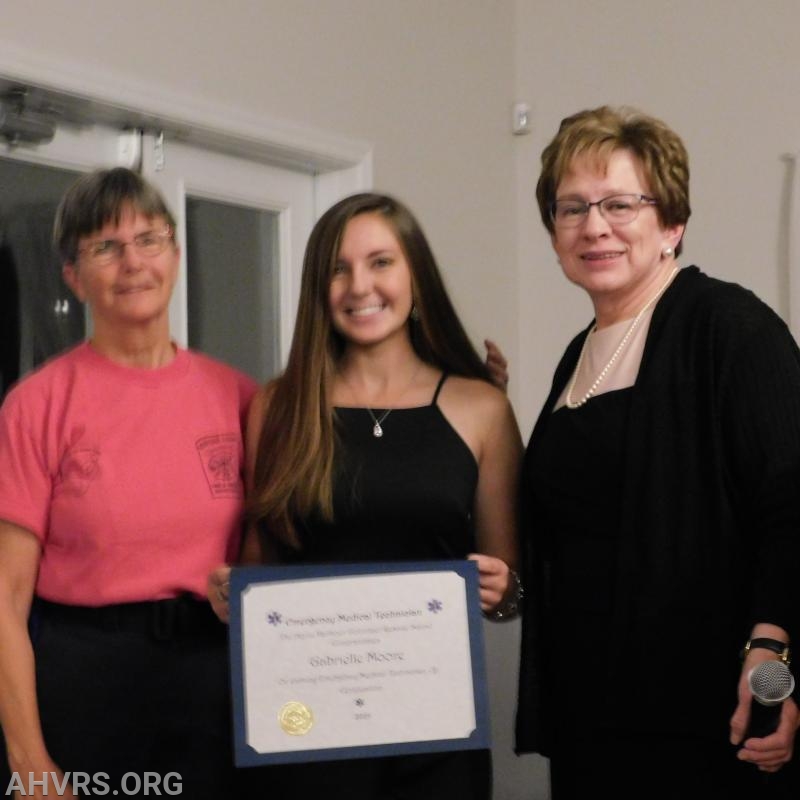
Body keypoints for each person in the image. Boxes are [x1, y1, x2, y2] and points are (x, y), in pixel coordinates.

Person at [514, 105, 800, 798]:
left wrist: (773, 667)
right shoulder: (575, 358)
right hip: (591, 715)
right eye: (572, 207)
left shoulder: (730, 329)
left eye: (620, 203)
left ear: (671, 223)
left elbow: (792, 505)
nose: (594, 225)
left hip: (705, 717)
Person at [209, 191, 523, 799]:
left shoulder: (482, 408)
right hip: (303, 726)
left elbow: (512, 590)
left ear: (415, 275)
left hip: (435, 727)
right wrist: (233, 595)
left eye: (381, 262)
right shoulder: (278, 408)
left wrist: (502, 589)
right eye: (338, 268)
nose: (359, 286)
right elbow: (257, 566)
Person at [0, 168, 257, 799]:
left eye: (149, 239)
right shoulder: (36, 406)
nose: (132, 262)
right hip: (86, 683)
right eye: (105, 247)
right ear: (72, 276)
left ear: (174, 253)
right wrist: (28, 757)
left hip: (216, 679)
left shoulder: (240, 398)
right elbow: (4, 600)